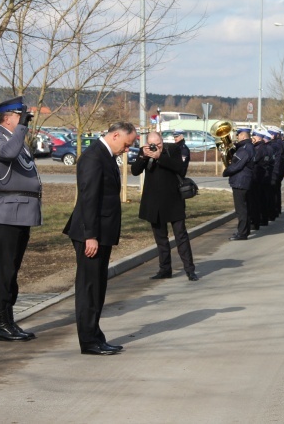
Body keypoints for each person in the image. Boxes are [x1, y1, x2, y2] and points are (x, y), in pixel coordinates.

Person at [63, 121, 136, 355]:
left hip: (101, 233)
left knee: (97, 287)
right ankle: (89, 341)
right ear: (115, 135)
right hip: (91, 234)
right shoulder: (93, 157)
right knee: (89, 288)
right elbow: (88, 199)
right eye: (126, 144)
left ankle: (95, 335)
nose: (127, 150)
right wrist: (90, 236)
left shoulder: (104, 155)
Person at [0, 96, 40, 342]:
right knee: (4, 270)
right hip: (4, 213)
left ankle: (9, 321)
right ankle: (1, 324)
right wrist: (22, 129)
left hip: (19, 212)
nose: (24, 121)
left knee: (12, 270)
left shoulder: (15, 139)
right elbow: (8, 154)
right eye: (21, 116)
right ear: (8, 118)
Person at [131, 131, 198, 281]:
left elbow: (180, 168)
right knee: (161, 239)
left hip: (173, 200)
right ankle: (165, 269)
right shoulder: (144, 151)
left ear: (162, 141)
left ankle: (190, 269)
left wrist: (159, 156)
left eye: (159, 144)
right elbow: (135, 171)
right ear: (148, 143)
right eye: (153, 145)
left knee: (181, 236)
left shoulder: (171, 149)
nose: (156, 147)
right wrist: (144, 156)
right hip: (154, 203)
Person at [223, 127, 255, 241]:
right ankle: (244, 230)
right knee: (244, 207)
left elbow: (237, 165)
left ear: (243, 136)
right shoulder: (246, 147)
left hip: (241, 182)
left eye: (238, 135)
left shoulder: (245, 149)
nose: (237, 137)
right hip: (243, 181)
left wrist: (226, 171)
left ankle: (242, 233)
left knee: (240, 209)